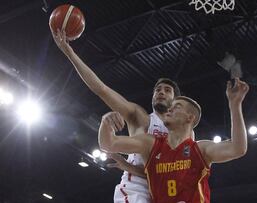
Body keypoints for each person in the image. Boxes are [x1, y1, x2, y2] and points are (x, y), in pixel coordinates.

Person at [51, 29, 180, 202]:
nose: (161, 93)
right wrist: (70, 54)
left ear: (176, 99)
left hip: (165, 193)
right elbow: (101, 89)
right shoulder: (141, 117)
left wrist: (127, 165)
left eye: (167, 90)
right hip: (138, 191)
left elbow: (167, 173)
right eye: (157, 90)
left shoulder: (182, 133)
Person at [99, 78, 249, 203]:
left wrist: (235, 105)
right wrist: (106, 122)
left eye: (176, 106)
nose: (170, 109)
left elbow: (238, 148)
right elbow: (108, 144)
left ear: (189, 118)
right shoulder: (152, 145)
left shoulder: (199, 149)